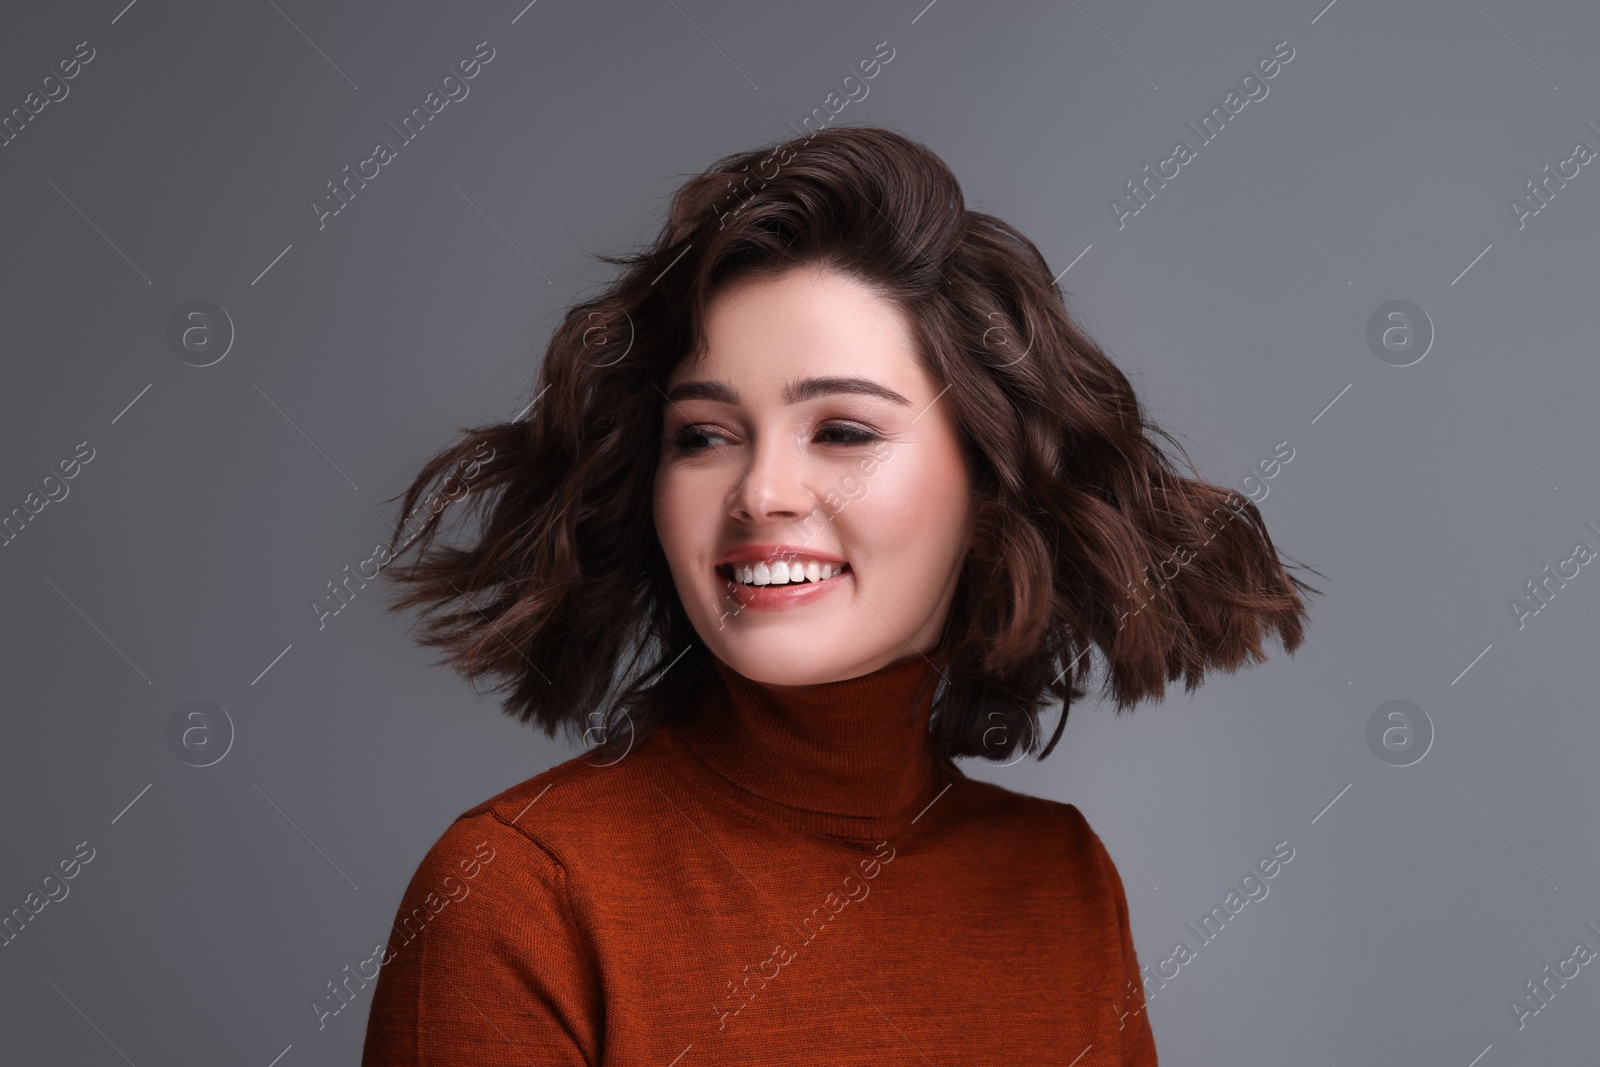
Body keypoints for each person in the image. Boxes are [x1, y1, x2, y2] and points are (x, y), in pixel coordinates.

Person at [359, 124, 1319, 1065]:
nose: (761, 491)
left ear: (989, 478)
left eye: (844, 432)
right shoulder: (519, 896)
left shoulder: (1064, 883)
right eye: (702, 434)